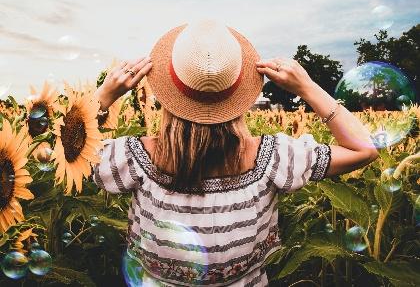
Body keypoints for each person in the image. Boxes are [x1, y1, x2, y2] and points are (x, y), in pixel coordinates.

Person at [92, 20, 379, 286]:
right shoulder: (274, 158)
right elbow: (364, 149)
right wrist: (308, 87)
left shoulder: (132, 158)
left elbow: (64, 150)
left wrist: (102, 98)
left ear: (169, 93)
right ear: (239, 94)